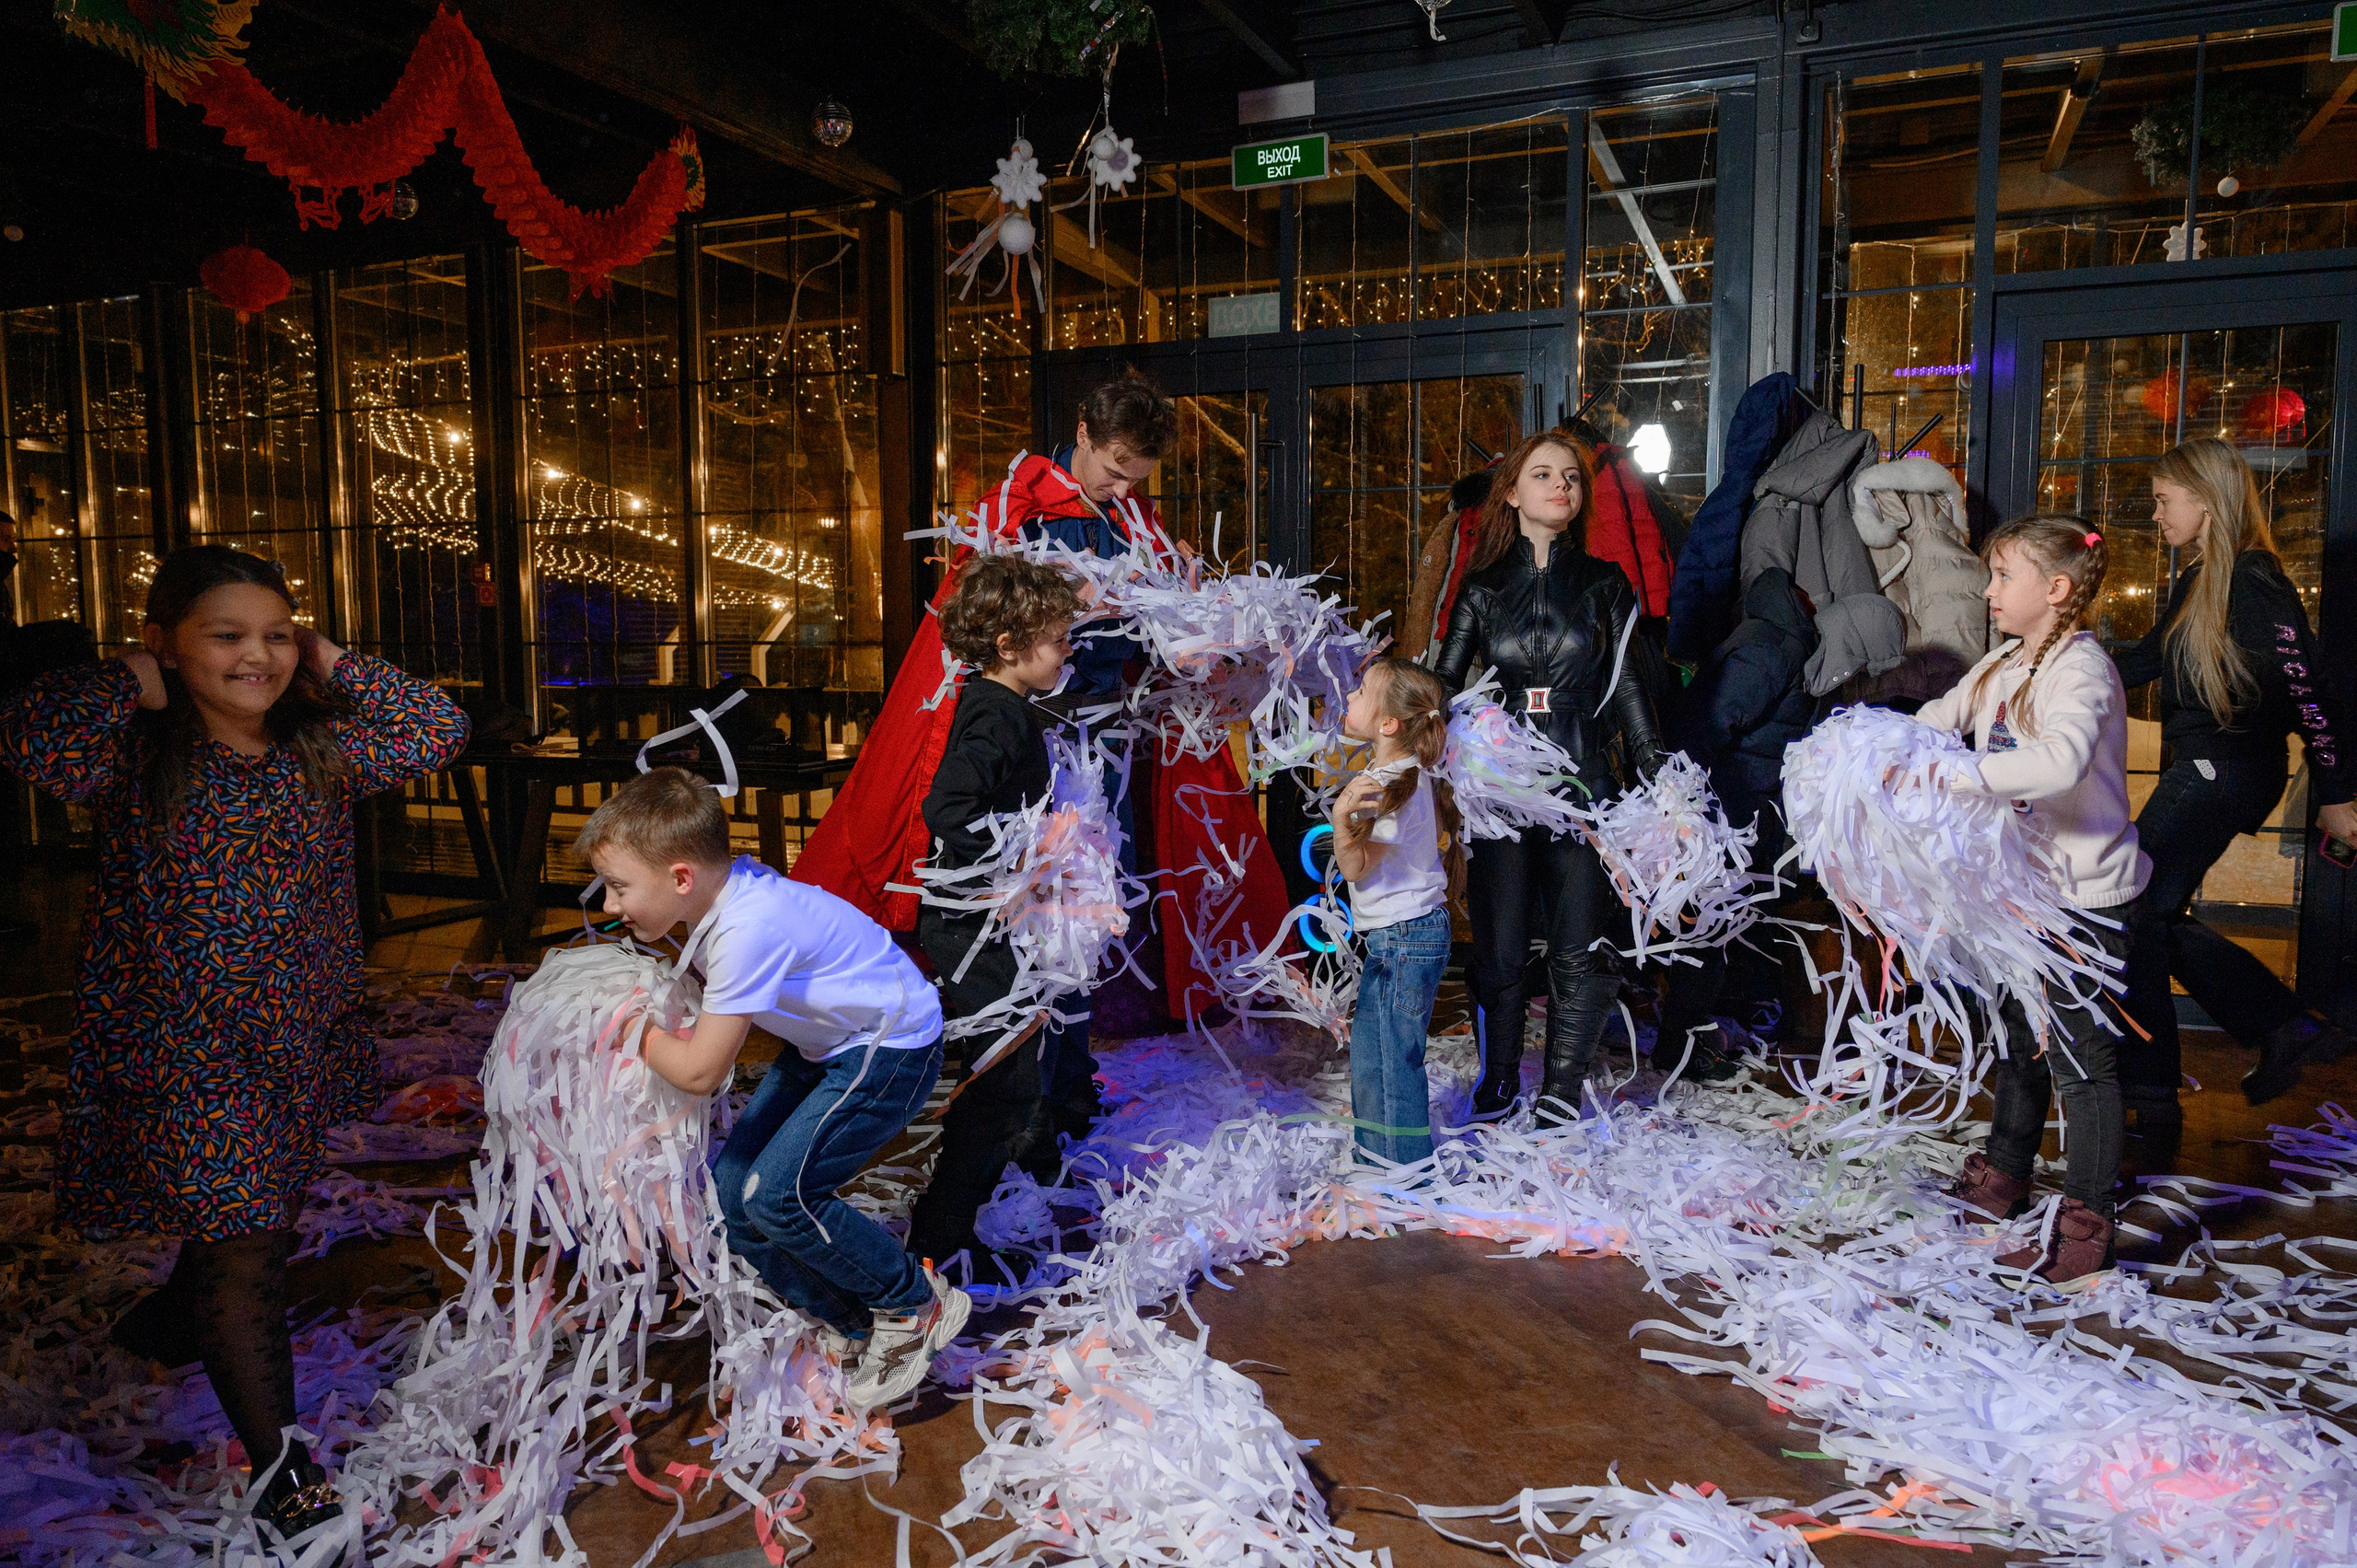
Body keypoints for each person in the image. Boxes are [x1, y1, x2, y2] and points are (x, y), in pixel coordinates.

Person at [0, 545, 470, 1535]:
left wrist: (326, 655)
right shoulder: (134, 757)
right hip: (187, 1050)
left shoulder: (321, 753)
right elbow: (29, 731)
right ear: (170, 643)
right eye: (227, 635)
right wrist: (139, 673)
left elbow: (437, 724)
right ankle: (281, 1471)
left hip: (297, 1038)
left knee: (258, 1211)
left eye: (274, 634)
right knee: (248, 1242)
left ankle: (174, 1316)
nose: (256, 655)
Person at [794, 372, 1289, 1145]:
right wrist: (1074, 603)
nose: (1124, 486)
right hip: (1041, 739)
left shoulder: (1132, 516)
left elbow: (1160, 626)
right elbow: (983, 611)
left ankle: (1068, 1078)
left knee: (1093, 910)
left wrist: (1186, 598)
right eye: (1115, 466)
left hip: (1115, 735)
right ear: (1085, 434)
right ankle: (1021, 1091)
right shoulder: (1021, 505)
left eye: (1138, 477)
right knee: (1038, 910)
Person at [575, 769, 968, 1407]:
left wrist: (631, 1032)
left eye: (619, 888)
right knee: (735, 1193)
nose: (611, 906)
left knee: (777, 1193)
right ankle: (852, 1321)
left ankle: (913, 1302)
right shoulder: (716, 903)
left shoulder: (745, 928)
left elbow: (701, 1072)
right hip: (829, 1043)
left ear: (681, 877)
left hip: (888, 1046)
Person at [1921, 517, 2149, 1285]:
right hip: (2018, 894)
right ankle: (2009, 1173)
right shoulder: (2001, 662)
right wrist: (1874, 752)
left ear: (2054, 590)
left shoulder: (2082, 669)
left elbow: (2058, 761)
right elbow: (1941, 718)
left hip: (2081, 899)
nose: (1987, 591)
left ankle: (2088, 1216)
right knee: (2018, 1040)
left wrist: (1959, 777)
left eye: (2002, 577)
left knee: (2082, 1058)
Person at [2111, 437, 2357, 1118]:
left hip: (2223, 770)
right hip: (2212, 769)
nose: (2156, 516)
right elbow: (2146, 659)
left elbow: (2309, 687)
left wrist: (2337, 792)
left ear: (2206, 499)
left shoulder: (2254, 580)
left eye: (2165, 501)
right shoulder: (2203, 581)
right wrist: (2049, 663)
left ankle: (2171, 1077)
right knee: (2144, 916)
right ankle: (2269, 1033)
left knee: (2132, 908)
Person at [1432, 433, 1667, 1118]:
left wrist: (1657, 772)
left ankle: (1561, 1090)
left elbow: (1625, 686)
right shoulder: (1480, 587)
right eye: (1542, 474)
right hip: (1500, 790)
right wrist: (1403, 742)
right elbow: (1446, 684)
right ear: (1511, 492)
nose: (1561, 485)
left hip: (1582, 782)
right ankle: (1500, 1081)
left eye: (1570, 476)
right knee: (1500, 950)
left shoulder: (1604, 582)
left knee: (1577, 948)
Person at [904, 555, 1083, 1272]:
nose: (1069, 648)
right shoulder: (996, 713)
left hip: (985, 921)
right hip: (964, 924)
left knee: (1017, 1062)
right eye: (1058, 637)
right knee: (1006, 1079)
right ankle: (938, 1244)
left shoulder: (1005, 705)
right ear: (1009, 646)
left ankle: (977, 1210)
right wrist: (1028, 845)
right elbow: (946, 808)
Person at [1655, 566, 1824, 1078]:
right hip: (1733, 808)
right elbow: (1708, 724)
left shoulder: (1771, 642)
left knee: (1726, 924)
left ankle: (1699, 1034)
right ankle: (1681, 1047)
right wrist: (1700, 803)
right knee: (1710, 926)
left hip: (1744, 805)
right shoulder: (1770, 648)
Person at [1329, 657, 1464, 1167]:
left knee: (1386, 1058)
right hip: (1413, 933)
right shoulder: (1407, 774)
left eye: (1361, 692)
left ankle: (1400, 1169)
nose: (1349, 698)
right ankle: (1381, 1158)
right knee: (1378, 1052)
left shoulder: (1388, 784)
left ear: (1388, 724)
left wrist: (1342, 819)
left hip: (1403, 938)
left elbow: (1358, 866)